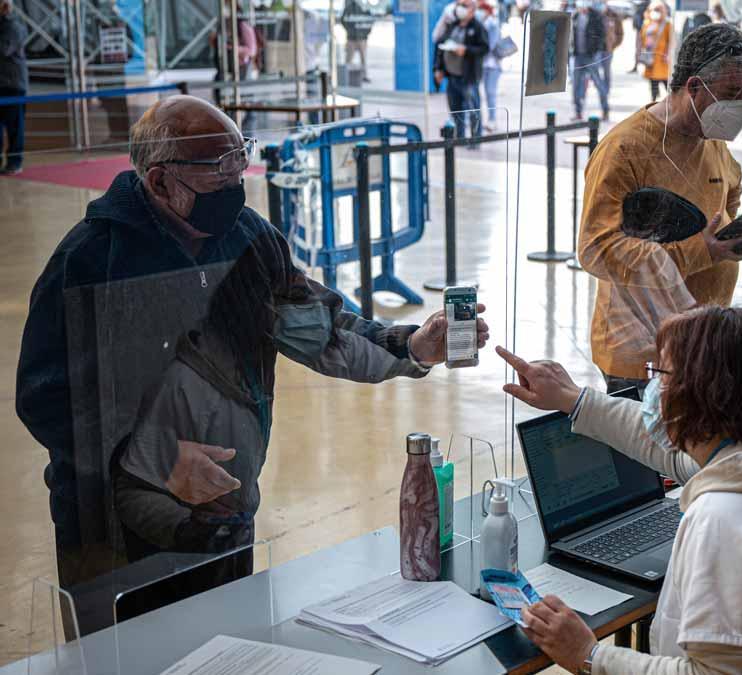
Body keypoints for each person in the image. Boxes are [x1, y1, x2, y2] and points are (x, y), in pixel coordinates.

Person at [14, 95, 490, 635]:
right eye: (220, 169)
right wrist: (162, 460)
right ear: (159, 182)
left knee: (225, 648)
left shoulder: (248, 238)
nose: (238, 179)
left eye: (241, 157)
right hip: (113, 536)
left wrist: (409, 347)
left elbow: (318, 327)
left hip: (225, 516)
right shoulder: (91, 259)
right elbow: (46, 396)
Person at [495, 306, 742, 674]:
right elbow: (676, 454)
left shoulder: (731, 518)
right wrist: (572, 399)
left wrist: (588, 654)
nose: (652, 386)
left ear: (703, 395)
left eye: (662, 374)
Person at [577, 22, 742, 394]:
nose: (739, 108)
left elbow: (729, 195)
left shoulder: (712, 140)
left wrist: (729, 241)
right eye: (731, 94)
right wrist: (702, 251)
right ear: (693, 87)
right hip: (642, 355)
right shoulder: (625, 150)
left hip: (702, 346)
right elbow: (595, 249)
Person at [434, 0, 490, 146]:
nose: (460, 8)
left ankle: (475, 140)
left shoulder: (478, 27)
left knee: (473, 110)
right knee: (456, 110)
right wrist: (438, 69)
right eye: (459, 5)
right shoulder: (453, 25)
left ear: (472, 9)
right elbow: (440, 45)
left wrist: (466, 50)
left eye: (464, 5)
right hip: (452, 77)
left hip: (469, 78)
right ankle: (460, 139)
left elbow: (484, 48)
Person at [0, 0, 27, 175]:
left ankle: (15, 162)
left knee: (15, 128)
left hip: (13, 85)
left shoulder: (14, 26)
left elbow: (4, 49)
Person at [572, 0, 611, 122]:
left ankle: (605, 110)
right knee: (576, 85)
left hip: (591, 57)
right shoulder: (576, 16)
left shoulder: (596, 16)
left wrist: (595, 51)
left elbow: (602, 35)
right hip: (578, 56)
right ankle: (578, 112)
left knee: (598, 84)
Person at [639, 1, 673, 101]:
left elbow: (671, 41)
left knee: (665, 81)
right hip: (650, 58)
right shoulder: (647, 23)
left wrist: (668, 54)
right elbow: (642, 38)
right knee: (653, 81)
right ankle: (653, 101)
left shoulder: (667, 24)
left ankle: (671, 101)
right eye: (653, 10)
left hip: (662, 57)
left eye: (658, 10)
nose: (655, 12)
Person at [480, 1, 504, 132]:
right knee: (482, 92)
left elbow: (491, 45)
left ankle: (492, 120)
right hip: (484, 64)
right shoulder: (483, 23)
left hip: (493, 65)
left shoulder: (492, 24)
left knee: (490, 92)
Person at [341, 0, 375, 83]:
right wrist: (350, 31)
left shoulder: (365, 7)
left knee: (363, 57)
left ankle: (364, 75)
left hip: (362, 37)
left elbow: (370, 20)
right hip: (351, 38)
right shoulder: (349, 7)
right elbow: (344, 20)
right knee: (349, 58)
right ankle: (345, 75)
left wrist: (365, 32)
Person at [600, 0, 624, 93]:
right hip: (595, 49)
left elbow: (620, 33)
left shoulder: (613, 15)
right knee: (593, 72)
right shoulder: (594, 14)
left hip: (607, 49)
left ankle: (606, 90)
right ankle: (599, 89)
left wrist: (613, 45)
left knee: (606, 70)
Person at [628, 0, 650, 72]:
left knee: (640, 49)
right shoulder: (648, 4)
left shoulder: (642, 5)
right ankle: (639, 66)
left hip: (642, 30)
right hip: (644, 29)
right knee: (643, 49)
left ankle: (637, 66)